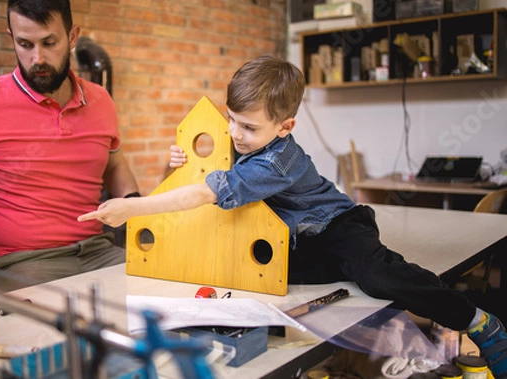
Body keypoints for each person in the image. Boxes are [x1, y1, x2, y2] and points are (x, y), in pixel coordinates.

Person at [78, 55, 507, 378]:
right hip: (296, 237)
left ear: (285, 127)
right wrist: (177, 162)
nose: (234, 134)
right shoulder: (243, 141)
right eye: (231, 120)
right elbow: (198, 174)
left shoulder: (276, 161)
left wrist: (133, 206)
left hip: (337, 224)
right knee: (270, 284)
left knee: (376, 277)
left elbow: (204, 192)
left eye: (248, 127)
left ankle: (478, 320)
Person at [0, 0, 139, 291]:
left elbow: (115, 165)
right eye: (25, 44)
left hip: (98, 251)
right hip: (20, 263)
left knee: (161, 299)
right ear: (12, 38)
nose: (38, 58)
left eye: (49, 42)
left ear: (72, 37)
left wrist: (136, 203)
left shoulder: (100, 101)